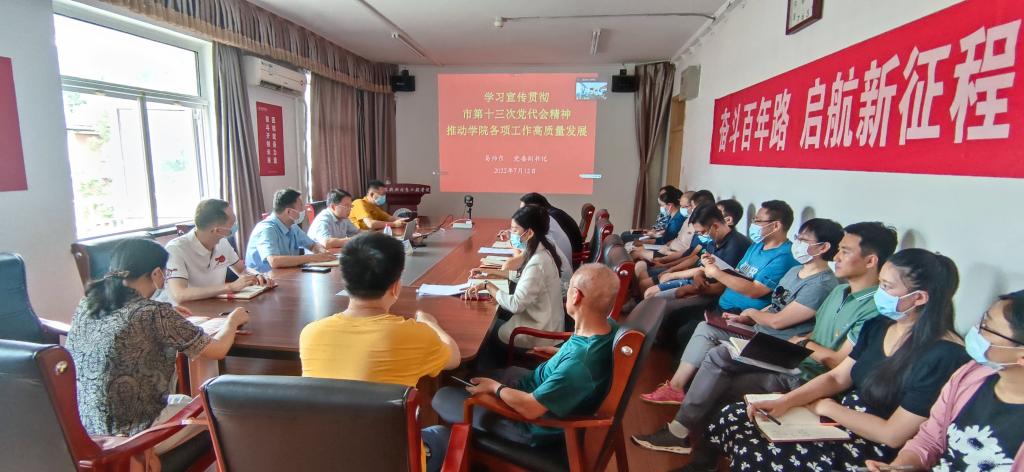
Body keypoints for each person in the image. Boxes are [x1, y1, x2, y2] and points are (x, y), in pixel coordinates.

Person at [632, 222, 897, 459]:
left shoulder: (873, 309)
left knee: (721, 379)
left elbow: (837, 362)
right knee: (718, 354)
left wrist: (803, 343)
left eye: (845, 252)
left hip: (809, 376)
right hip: (792, 357)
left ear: (870, 261)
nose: (836, 257)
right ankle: (682, 436)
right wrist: (801, 341)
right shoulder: (839, 291)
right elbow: (812, 333)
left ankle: (696, 449)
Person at [704, 248, 970, 472]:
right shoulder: (879, 325)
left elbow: (893, 434)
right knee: (734, 416)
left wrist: (826, 407)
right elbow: (837, 377)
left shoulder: (945, 355)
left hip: (872, 443)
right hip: (838, 418)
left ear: (919, 298)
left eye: (887, 287)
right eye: (881, 283)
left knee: (765, 455)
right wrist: (785, 402)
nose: (879, 292)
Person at [422, 264, 621, 472]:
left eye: (568, 287)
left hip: (529, 424)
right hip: (531, 385)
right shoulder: (607, 328)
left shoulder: (579, 364)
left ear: (576, 296)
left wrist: (495, 388)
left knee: (442, 396)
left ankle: (454, 454)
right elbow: (577, 359)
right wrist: (559, 354)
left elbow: (530, 408)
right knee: (469, 377)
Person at [638, 218, 843, 406]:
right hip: (759, 329)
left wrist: (751, 313)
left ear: (823, 247)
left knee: (715, 348)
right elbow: (774, 305)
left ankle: (686, 395)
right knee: (705, 327)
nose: (797, 243)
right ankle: (675, 388)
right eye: (797, 238)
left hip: (777, 342)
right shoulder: (795, 271)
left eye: (804, 240)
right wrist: (745, 318)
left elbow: (778, 321)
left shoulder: (821, 284)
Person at [67, 238, 249, 438]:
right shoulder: (154, 313)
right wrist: (232, 320)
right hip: (132, 435)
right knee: (218, 414)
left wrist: (169, 315)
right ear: (156, 273)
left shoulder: (88, 303)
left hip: (87, 427)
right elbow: (218, 350)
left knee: (182, 400)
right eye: (165, 271)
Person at [865, 290, 1024, 471]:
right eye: (982, 320)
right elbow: (929, 441)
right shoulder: (970, 375)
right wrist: (898, 468)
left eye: (987, 327)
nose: (976, 329)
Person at [299, 232, 460, 387]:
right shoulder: (415, 335)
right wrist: (430, 323)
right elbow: (454, 358)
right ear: (395, 287)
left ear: (345, 281)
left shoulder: (310, 334)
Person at [659, 200, 802, 353]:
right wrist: (713, 265)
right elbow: (737, 273)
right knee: (675, 317)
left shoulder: (784, 257)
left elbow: (755, 290)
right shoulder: (757, 246)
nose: (753, 224)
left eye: (758, 221)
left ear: (775, 226)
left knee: (687, 331)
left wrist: (716, 272)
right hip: (721, 304)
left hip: (740, 315)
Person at [464, 205, 565, 368]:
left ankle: (484, 372)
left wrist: (487, 286)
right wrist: (488, 273)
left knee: (484, 330)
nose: (512, 234)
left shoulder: (537, 262)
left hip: (539, 334)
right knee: (493, 318)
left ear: (529, 232)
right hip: (546, 324)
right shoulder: (542, 249)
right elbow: (523, 277)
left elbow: (515, 305)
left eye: (515, 230)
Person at [162, 199, 272, 303]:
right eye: (232, 223)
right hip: (187, 311)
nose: (236, 226)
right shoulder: (175, 249)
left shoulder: (222, 242)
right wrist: (230, 287)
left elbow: (242, 269)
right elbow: (180, 294)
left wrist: (257, 275)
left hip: (215, 305)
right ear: (218, 231)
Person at [637, 204, 751, 297]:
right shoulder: (714, 240)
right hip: (699, 282)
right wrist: (697, 276)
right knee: (649, 288)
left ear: (715, 226)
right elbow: (702, 266)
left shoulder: (735, 246)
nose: (701, 236)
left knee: (651, 293)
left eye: (702, 232)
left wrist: (682, 283)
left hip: (710, 292)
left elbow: (722, 286)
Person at [245, 188, 334, 272]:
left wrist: (322, 252)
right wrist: (312, 258)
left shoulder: (293, 227)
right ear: (289, 212)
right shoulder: (267, 229)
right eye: (301, 206)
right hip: (263, 279)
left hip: (286, 274)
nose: (303, 210)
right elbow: (274, 261)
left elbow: (312, 245)